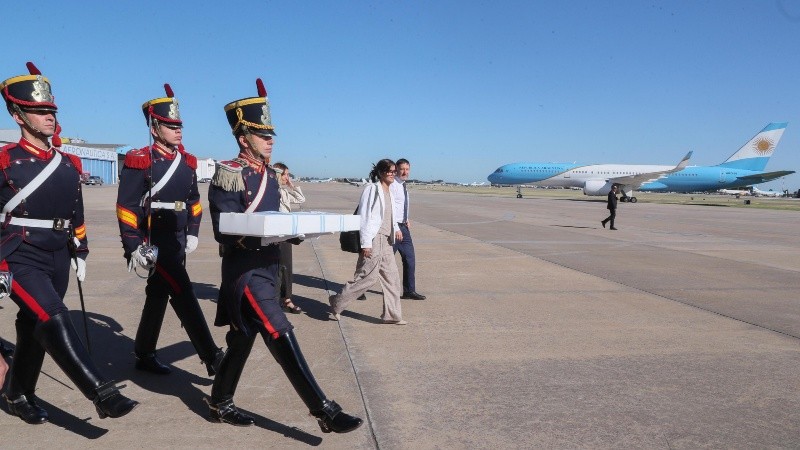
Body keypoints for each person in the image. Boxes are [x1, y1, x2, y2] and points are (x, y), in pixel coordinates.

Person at [206, 78, 363, 433]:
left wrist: (297, 230)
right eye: (263, 135)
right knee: (279, 330)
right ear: (244, 137)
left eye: (271, 134)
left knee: (242, 340)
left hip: (270, 267)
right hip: (245, 270)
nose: (271, 140)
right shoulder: (229, 174)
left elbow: (278, 220)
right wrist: (267, 230)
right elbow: (223, 229)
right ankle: (324, 409)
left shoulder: (273, 176)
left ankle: (219, 402)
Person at [0, 62, 138, 424]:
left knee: (34, 327)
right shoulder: (4, 162)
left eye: (51, 110)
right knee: (53, 315)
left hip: (59, 254)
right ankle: (102, 392)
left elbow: (75, 213)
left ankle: (17, 394)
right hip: (19, 253)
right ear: (17, 115)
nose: (49, 116)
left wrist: (81, 250)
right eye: (39, 111)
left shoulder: (67, 163)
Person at [116, 84, 224, 376]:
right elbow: (126, 207)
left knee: (159, 294)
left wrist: (192, 231)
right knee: (183, 291)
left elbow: (194, 202)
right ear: (154, 128)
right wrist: (133, 245)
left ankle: (144, 351)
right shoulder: (141, 160)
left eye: (180, 126)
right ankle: (212, 356)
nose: (178, 131)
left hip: (177, 237)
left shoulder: (187, 164)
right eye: (171, 125)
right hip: (155, 238)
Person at [329, 159, 406, 325]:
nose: (393, 174)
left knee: (392, 278)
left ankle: (392, 316)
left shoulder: (390, 191)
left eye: (394, 171)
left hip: (387, 240)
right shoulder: (372, 189)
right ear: (380, 172)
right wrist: (366, 244)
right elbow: (364, 217)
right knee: (368, 279)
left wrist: (397, 229)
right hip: (374, 237)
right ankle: (337, 302)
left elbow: (390, 215)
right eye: (390, 171)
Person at [390, 158, 426, 300]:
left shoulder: (403, 185)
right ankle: (360, 289)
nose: (405, 172)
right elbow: (390, 208)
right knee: (382, 262)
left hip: (404, 226)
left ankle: (409, 290)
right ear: (396, 170)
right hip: (394, 228)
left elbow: (401, 206)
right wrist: (395, 227)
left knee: (410, 259)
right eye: (402, 169)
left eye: (407, 169)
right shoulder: (392, 185)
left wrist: (406, 219)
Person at [273, 162, 305, 314]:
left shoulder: (284, 192)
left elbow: (300, 199)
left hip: (286, 235)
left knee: (287, 268)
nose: (287, 177)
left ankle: (287, 299)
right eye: (285, 174)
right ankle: (275, 300)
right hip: (273, 236)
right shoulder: (271, 191)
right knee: (275, 269)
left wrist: (292, 186)